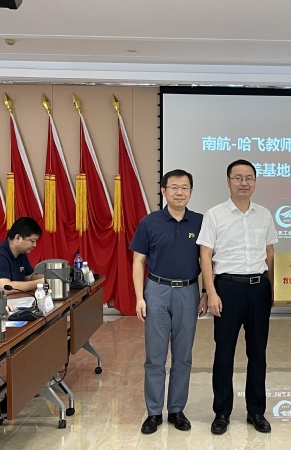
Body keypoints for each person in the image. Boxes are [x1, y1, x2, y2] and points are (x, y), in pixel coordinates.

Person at [197, 159, 278, 435]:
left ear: (255, 181)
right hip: (227, 289)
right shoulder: (214, 214)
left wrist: (273, 288)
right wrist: (210, 292)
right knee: (224, 353)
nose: (244, 183)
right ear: (228, 181)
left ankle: (256, 411)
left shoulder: (264, 214)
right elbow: (205, 256)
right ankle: (222, 412)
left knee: (258, 353)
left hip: (258, 288)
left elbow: (270, 253)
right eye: (238, 178)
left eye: (249, 178)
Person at [130, 169, 207, 434]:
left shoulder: (200, 222)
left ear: (191, 192)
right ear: (163, 191)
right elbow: (138, 261)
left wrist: (205, 292)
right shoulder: (150, 222)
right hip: (157, 291)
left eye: (185, 188)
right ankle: (154, 412)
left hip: (188, 291)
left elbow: (205, 261)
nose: (179, 192)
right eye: (174, 187)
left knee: (183, 357)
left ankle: (176, 410)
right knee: (155, 357)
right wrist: (139, 297)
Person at [0, 216, 44, 291]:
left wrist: (49, 277)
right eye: (32, 241)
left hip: (13, 298)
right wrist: (40, 282)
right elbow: (6, 287)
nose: (35, 245)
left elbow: (29, 277)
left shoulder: (21, 253)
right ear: (17, 238)